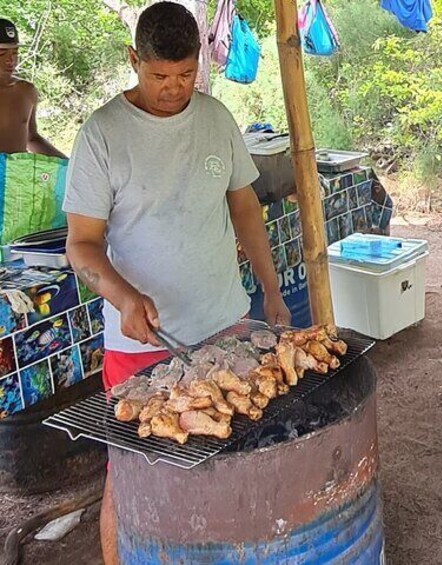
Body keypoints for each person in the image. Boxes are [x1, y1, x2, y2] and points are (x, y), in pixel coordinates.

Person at [62, 3, 290, 563]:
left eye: (186, 75)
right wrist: (124, 298)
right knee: (134, 476)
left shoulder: (215, 120)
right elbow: (81, 246)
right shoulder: (102, 136)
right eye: (160, 76)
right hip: (141, 344)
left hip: (226, 325)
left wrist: (272, 289)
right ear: (133, 59)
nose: (174, 88)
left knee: (233, 458)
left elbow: (246, 212)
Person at [0, 19, 66, 157]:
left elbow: (32, 138)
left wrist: (70, 165)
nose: (10, 60)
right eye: (2, 53)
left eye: (15, 52)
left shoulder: (26, 91)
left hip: (16, 176)